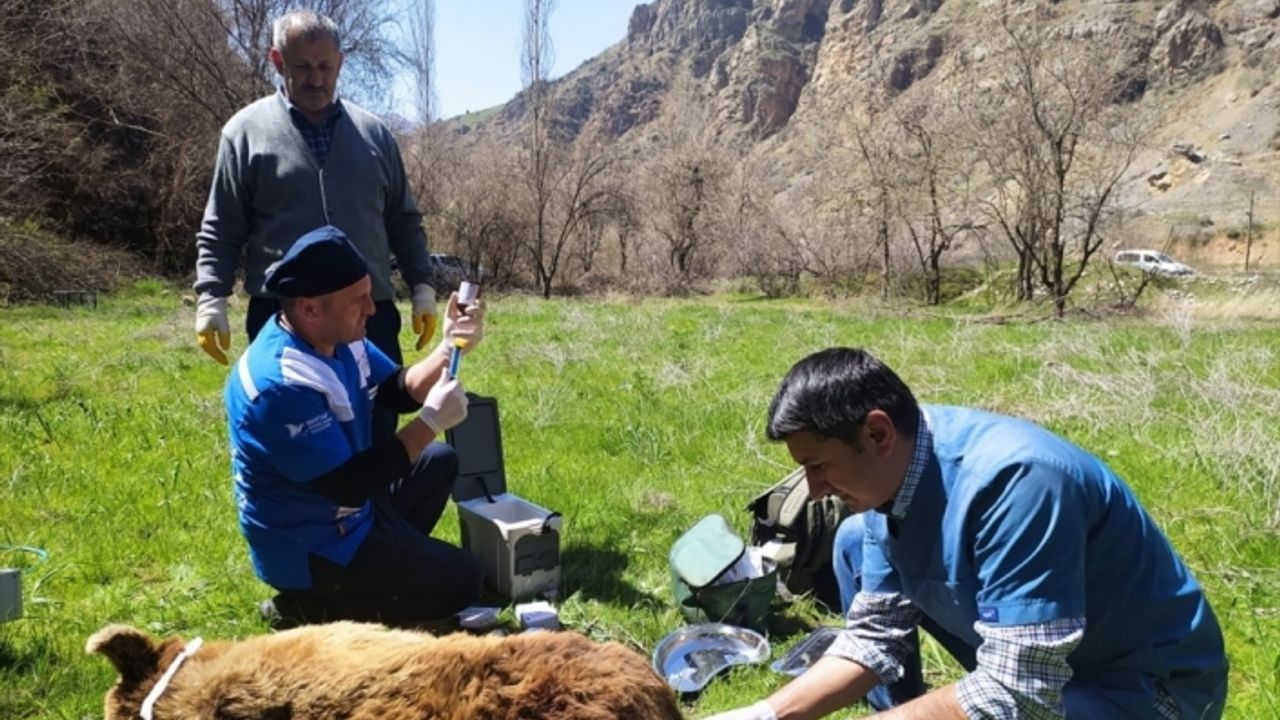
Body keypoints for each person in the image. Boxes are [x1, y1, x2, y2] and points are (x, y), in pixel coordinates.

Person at [711, 348, 1228, 719]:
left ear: (877, 432)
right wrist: (764, 714)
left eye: (819, 466)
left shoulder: (1018, 483)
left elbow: (1020, 695)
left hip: (1144, 689)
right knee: (849, 544)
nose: (815, 489)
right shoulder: (892, 476)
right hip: (1045, 671)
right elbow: (873, 638)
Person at [194, 9, 438, 439]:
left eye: (325, 66)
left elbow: (403, 218)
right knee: (299, 436)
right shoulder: (244, 133)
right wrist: (211, 298)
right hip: (283, 316)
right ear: (277, 61)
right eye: (302, 67)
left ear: (341, 62)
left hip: (369, 312)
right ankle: (301, 508)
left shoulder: (375, 135)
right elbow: (221, 226)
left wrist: (422, 287)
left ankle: (379, 508)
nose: (316, 79)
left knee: (377, 431)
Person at [224, 225, 484, 628]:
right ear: (310, 308)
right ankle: (310, 605)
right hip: (310, 542)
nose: (372, 308)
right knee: (465, 581)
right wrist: (431, 421)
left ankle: (380, 572)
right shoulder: (280, 385)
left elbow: (398, 390)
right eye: (358, 300)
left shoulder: (340, 336)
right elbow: (347, 484)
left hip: (347, 509)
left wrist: (449, 346)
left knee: (438, 460)